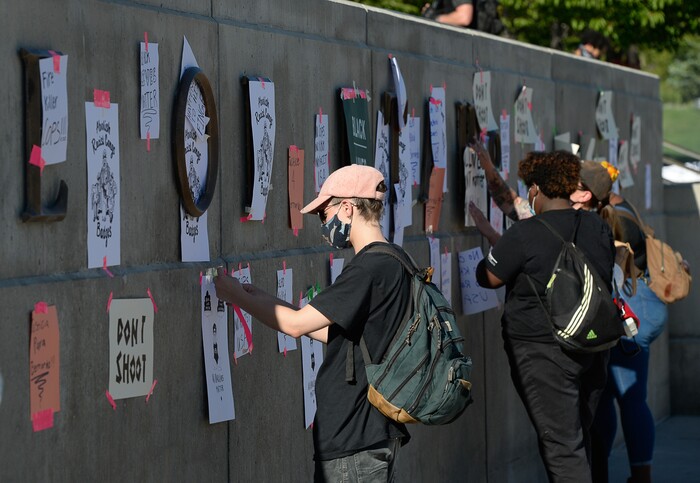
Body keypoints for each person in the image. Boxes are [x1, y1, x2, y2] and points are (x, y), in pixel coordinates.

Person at [214, 164, 412, 482]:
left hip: (354, 437)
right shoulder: (396, 261)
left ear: (347, 207)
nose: (324, 225)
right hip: (372, 432)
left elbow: (294, 325)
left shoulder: (367, 269)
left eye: (325, 213)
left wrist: (235, 296)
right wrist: (262, 298)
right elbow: (328, 330)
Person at [475, 151, 616, 482]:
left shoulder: (526, 233)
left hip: (542, 351)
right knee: (577, 437)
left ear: (536, 189)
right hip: (594, 345)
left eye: (529, 189)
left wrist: (495, 247)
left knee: (563, 448)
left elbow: (489, 277)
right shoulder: (597, 225)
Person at [574, 161, 669, 483]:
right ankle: (634, 472)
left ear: (587, 193)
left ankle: (636, 475)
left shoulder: (606, 220)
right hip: (637, 315)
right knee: (621, 397)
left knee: (622, 398)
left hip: (622, 319)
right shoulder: (620, 206)